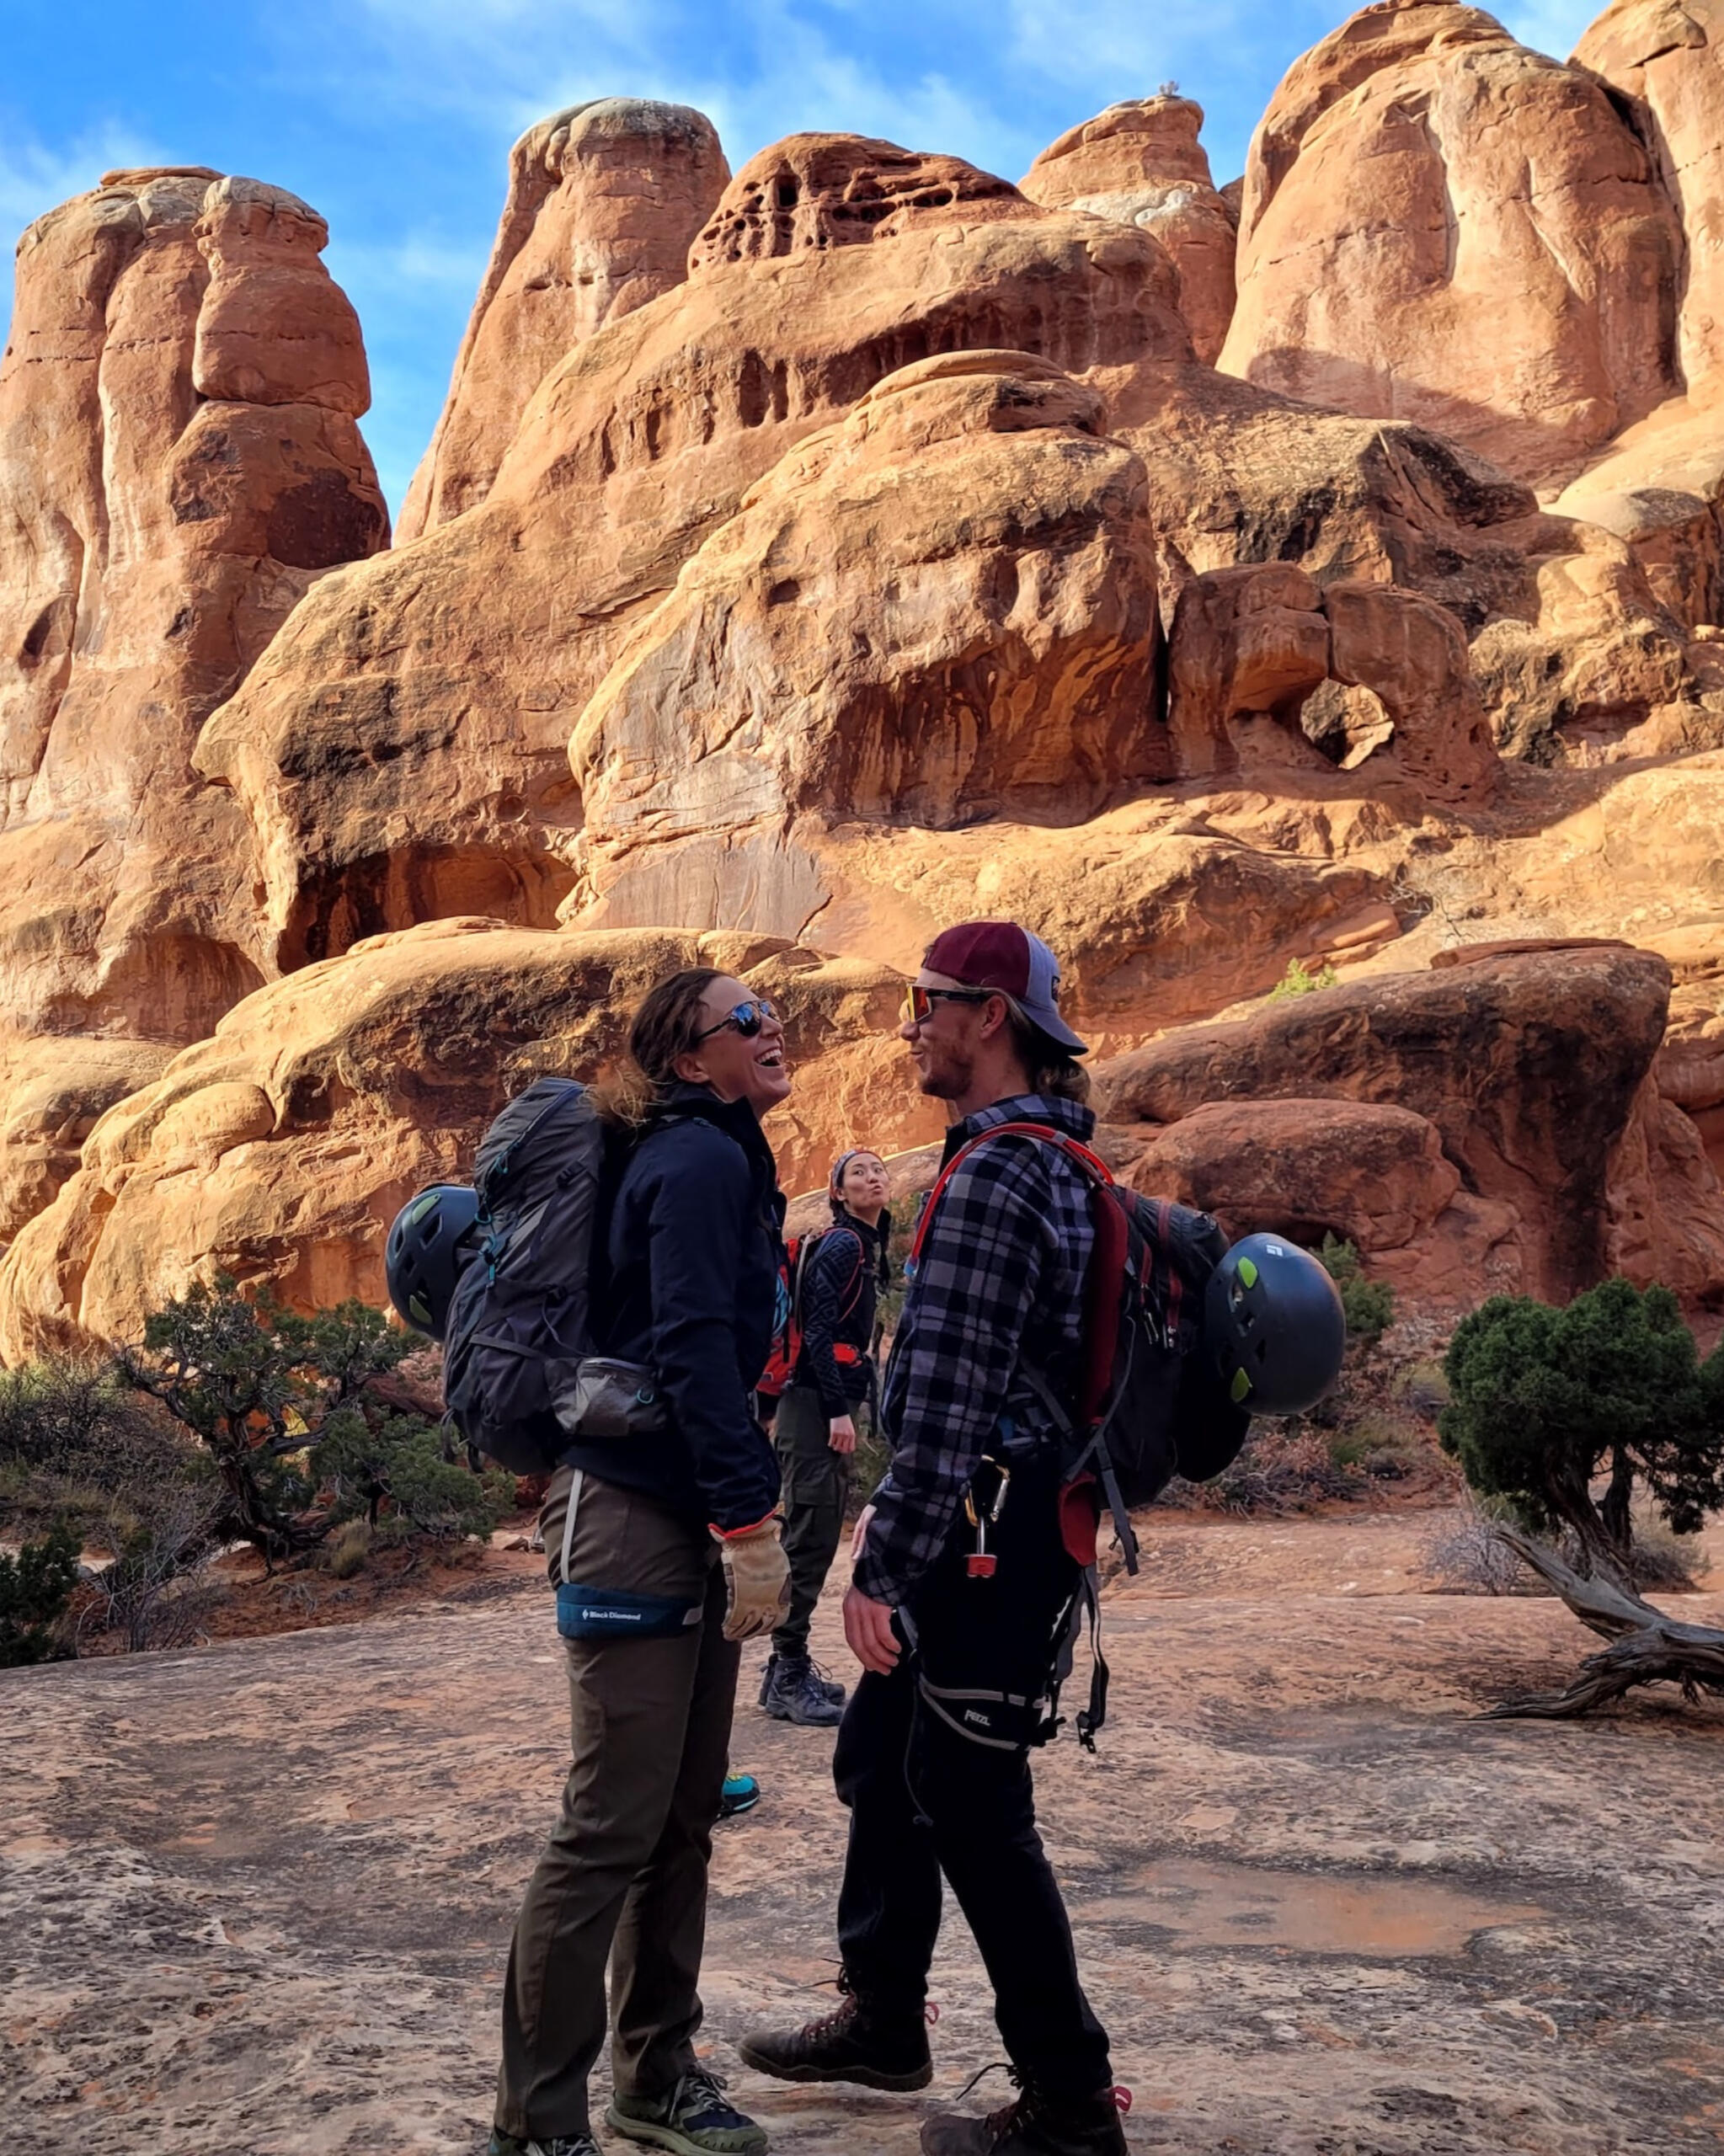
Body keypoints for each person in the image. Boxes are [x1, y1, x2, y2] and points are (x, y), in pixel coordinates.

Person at [740, 922, 1129, 2156]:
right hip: (1001, 1519)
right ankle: (884, 2019)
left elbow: (954, 1392)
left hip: (985, 1536)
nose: (909, 1025)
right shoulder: (1051, 1159)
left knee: (971, 1800)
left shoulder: (1001, 1173)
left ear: (989, 1015)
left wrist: (881, 1565)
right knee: (880, 1756)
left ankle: (1069, 2105)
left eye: (926, 1002)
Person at [490, 969, 793, 2156]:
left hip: (679, 1514)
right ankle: (536, 2120)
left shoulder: (715, 1152)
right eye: (746, 1019)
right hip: (634, 1520)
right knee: (609, 1826)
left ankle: (654, 2080)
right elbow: (692, 1348)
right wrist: (747, 1519)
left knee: (679, 1820)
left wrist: (732, 1515)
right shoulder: (696, 1159)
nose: (772, 1028)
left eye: (771, 1012)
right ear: (687, 1059)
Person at [760, 1147, 894, 1727]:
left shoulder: (864, 1246)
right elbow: (816, 1331)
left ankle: (781, 1674)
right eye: (858, 1172)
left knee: (815, 1532)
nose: (873, 1177)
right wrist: (838, 1411)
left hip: (822, 1404)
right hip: (814, 1405)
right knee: (810, 1538)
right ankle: (788, 1674)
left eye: (878, 1169)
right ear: (837, 1192)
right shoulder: (843, 1244)